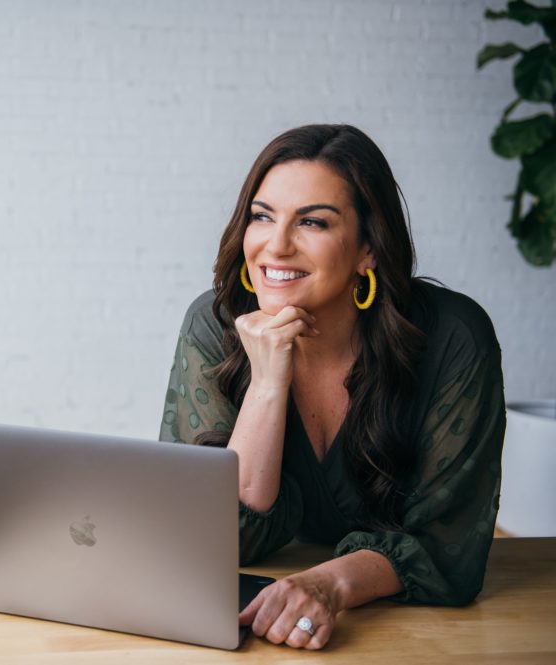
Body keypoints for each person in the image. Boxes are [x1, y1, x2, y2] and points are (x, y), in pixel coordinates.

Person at [159, 124, 505, 650]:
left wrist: (329, 582)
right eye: (262, 216)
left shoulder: (453, 338)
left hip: (416, 638)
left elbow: (448, 548)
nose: (276, 245)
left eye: (313, 222)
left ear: (369, 247)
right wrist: (267, 388)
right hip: (256, 624)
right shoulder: (215, 323)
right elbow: (209, 539)